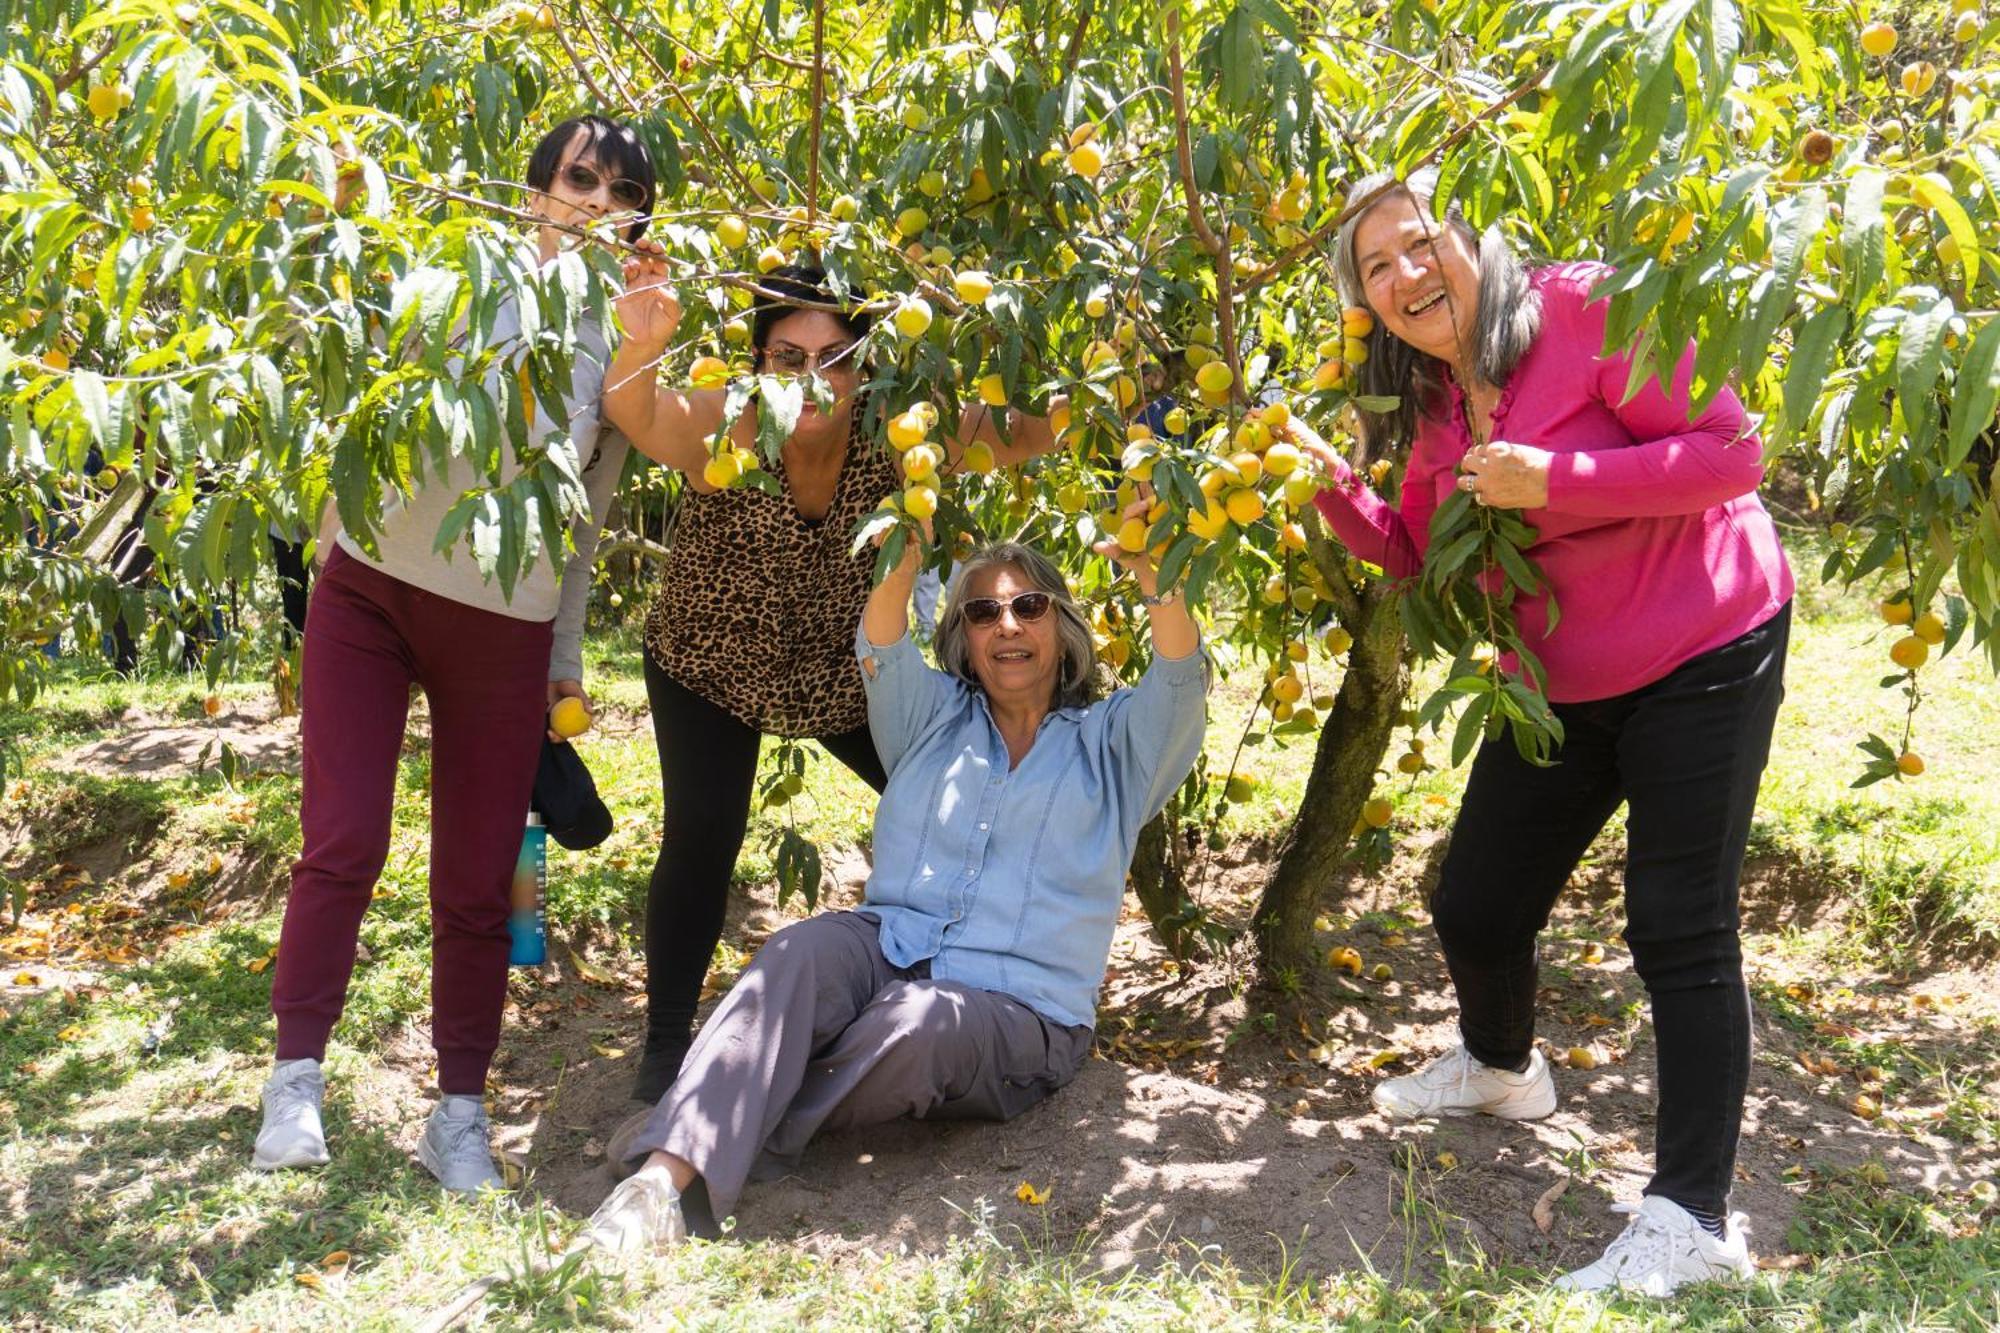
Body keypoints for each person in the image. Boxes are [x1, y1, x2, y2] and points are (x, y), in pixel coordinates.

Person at [1298, 167, 1794, 1297]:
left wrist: (1553, 479)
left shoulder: (1588, 307)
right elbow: (1420, 550)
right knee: (1471, 898)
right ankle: (1500, 1065)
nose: (1402, 273)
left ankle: (1690, 1221)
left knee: (1676, 923)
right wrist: (1322, 481)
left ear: (1472, 239)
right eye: (1374, 268)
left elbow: (1733, 456)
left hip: (1705, 645)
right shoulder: (1430, 397)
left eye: (1416, 242)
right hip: (1560, 676)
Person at [576, 516, 1209, 1250]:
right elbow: (880, 642)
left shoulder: (1117, 747)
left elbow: (1177, 679)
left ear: (1062, 628)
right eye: (982, 611)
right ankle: (658, 1181)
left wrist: (1159, 585)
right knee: (796, 955)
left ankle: (718, 1127)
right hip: (892, 942)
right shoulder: (930, 716)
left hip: (1021, 1009)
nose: (1007, 624)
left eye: (1028, 605)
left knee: (914, 1024)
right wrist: (898, 565)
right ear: (964, 640)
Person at [251, 115, 656, 1192]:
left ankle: (460, 1111)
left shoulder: (625, 343)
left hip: (506, 629)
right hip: (373, 595)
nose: (598, 201)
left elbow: (586, 514)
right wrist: (331, 534)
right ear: (532, 193)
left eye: (625, 192)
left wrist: (561, 655)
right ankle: (295, 1080)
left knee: (488, 875)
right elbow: (361, 404)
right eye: (581, 178)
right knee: (342, 840)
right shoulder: (458, 274)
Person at [602, 258, 1064, 1104]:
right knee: (702, 835)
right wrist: (641, 345)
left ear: (867, 366)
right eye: (788, 357)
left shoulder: (897, 430)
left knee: (953, 803)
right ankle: (666, 1043)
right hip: (711, 661)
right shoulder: (733, 425)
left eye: (837, 358)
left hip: (839, 672)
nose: (813, 379)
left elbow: (1026, 432)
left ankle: (986, 981)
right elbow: (643, 412)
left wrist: (1098, 373)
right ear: (757, 364)